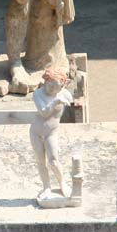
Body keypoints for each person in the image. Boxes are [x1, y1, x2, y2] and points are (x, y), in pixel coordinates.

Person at [29, 66, 74, 203]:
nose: (53, 90)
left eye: (56, 88)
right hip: (36, 132)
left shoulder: (65, 94)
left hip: (51, 133)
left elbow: (71, 106)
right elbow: (44, 113)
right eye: (50, 87)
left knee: (54, 161)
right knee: (40, 161)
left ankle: (62, 184)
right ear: (46, 81)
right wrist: (55, 102)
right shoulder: (37, 94)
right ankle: (46, 187)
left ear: (62, 85)